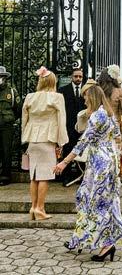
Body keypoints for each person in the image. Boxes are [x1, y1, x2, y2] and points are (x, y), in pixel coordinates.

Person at [54, 82, 122, 261]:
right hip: (109, 161)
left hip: (99, 164)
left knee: (95, 202)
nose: (84, 101)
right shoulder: (109, 114)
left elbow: (84, 142)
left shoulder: (97, 116)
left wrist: (64, 162)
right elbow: (117, 137)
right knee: (102, 201)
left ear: (92, 98)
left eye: (86, 98)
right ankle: (81, 239)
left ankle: (105, 244)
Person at [21, 66, 68, 220]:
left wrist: (24, 136)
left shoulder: (30, 97)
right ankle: (40, 208)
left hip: (32, 139)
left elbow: (24, 120)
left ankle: (33, 207)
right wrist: (61, 142)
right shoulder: (57, 97)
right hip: (47, 139)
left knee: (34, 176)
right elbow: (61, 121)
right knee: (44, 176)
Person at [98, 65, 122, 181]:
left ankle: (103, 177)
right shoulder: (120, 92)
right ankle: (114, 177)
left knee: (102, 153)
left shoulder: (98, 92)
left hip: (100, 126)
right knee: (115, 153)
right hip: (115, 127)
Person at [58, 68, 86, 186]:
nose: (78, 79)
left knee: (83, 152)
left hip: (83, 127)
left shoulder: (86, 90)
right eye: (76, 76)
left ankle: (83, 177)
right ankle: (66, 177)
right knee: (68, 150)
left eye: (80, 76)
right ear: (71, 77)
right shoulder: (63, 91)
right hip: (68, 126)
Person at [0, 66, 21, 186]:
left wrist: (10, 119)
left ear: (5, 78)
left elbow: (18, 109)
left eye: (1, 77)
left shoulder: (11, 92)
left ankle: (5, 176)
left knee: (6, 150)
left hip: (6, 125)